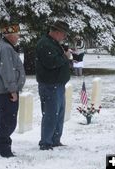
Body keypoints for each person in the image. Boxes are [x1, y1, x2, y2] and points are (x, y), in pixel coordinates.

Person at [0, 22, 26, 157]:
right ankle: (4, 148)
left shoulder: (5, 47)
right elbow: (7, 71)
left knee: (6, 120)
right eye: (16, 35)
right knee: (8, 122)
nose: (18, 37)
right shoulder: (5, 49)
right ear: (9, 35)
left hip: (5, 91)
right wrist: (12, 89)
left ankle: (1, 144)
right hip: (7, 92)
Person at [35, 20, 71, 150]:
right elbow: (51, 62)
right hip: (50, 85)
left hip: (58, 84)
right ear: (56, 32)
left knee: (59, 114)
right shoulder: (45, 44)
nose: (65, 37)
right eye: (64, 34)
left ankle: (55, 140)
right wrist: (65, 57)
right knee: (50, 114)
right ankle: (46, 142)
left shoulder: (54, 43)